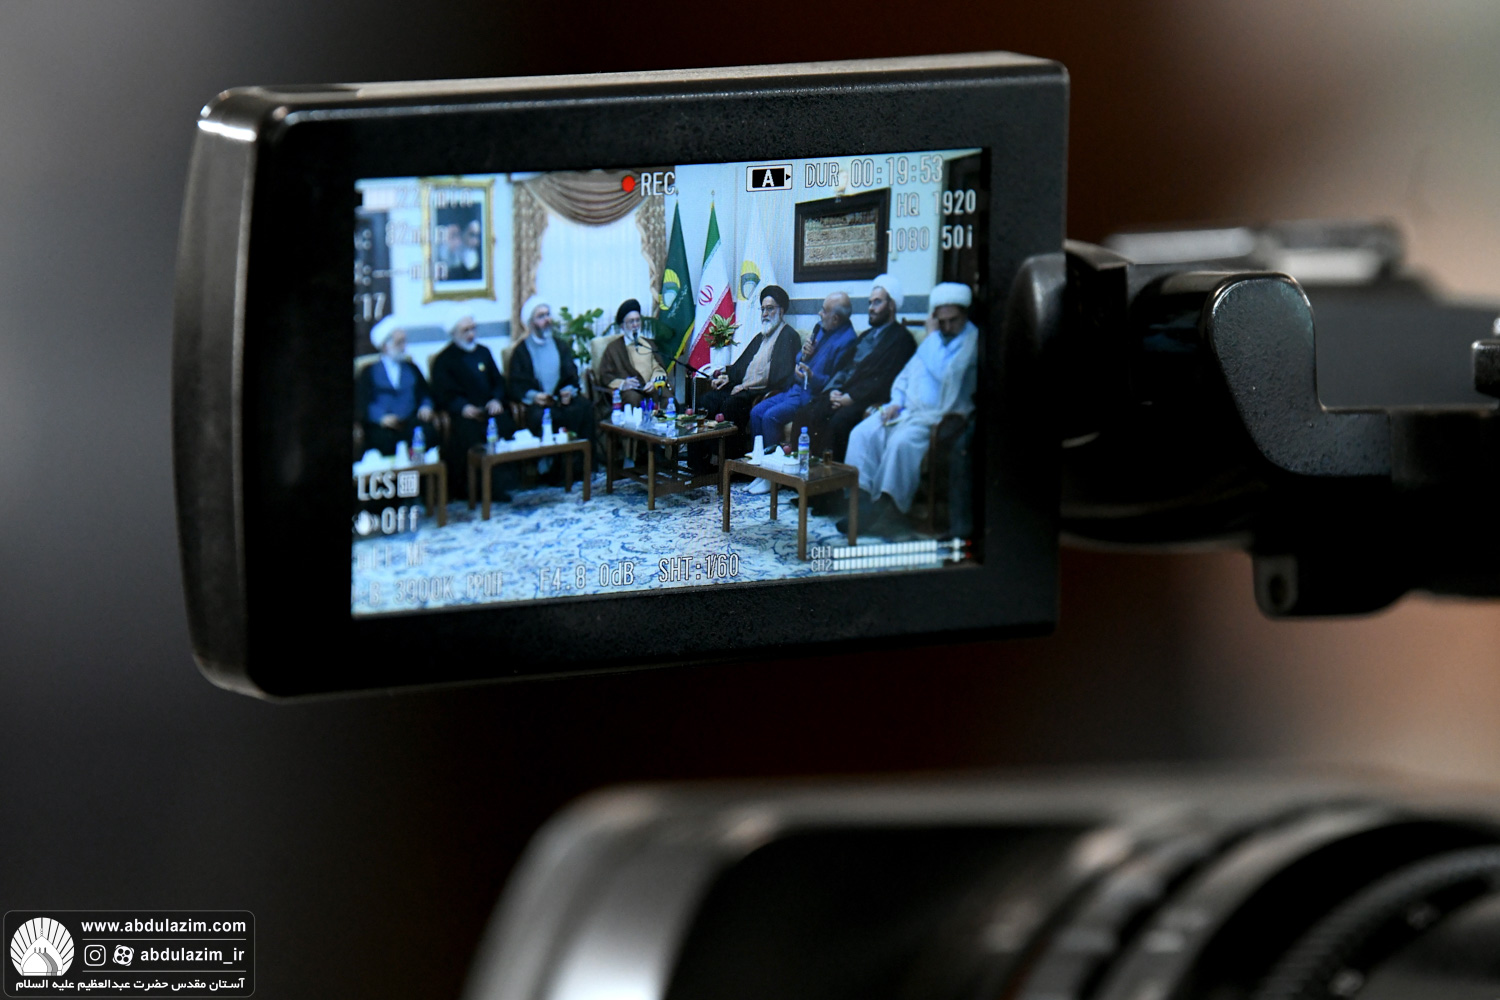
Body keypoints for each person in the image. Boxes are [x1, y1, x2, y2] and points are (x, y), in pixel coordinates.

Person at [840, 282, 980, 533]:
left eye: (953, 321)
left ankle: (883, 509)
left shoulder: (971, 340)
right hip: (905, 411)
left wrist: (931, 335)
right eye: (942, 321)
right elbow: (905, 377)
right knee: (862, 433)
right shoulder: (933, 340)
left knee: (900, 443)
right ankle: (859, 504)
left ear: (964, 315)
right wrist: (895, 402)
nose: (947, 327)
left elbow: (947, 375)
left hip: (938, 417)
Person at [743, 292, 858, 493]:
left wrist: (812, 376)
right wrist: (802, 356)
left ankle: (774, 476)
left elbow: (836, 383)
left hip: (811, 395)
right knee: (756, 412)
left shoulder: (848, 342)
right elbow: (800, 357)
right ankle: (761, 472)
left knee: (770, 417)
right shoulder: (821, 328)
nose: (819, 313)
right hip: (795, 387)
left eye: (824, 311)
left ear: (836, 318)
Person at [794, 274, 916, 460]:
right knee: (805, 413)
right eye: (870, 303)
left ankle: (831, 477)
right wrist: (833, 392)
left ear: (891, 305)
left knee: (839, 423)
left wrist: (850, 398)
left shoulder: (902, 339)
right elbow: (843, 370)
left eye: (877, 302)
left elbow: (885, 380)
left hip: (866, 400)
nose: (871, 308)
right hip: (842, 394)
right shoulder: (866, 336)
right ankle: (798, 472)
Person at [690, 284, 801, 469]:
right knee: (706, 400)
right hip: (742, 388)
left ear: (781, 311)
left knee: (730, 405)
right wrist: (728, 377)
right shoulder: (761, 336)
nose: (765, 314)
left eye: (770, 309)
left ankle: (727, 462)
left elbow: (780, 376)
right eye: (763, 309)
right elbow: (742, 365)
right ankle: (699, 460)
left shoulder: (789, 336)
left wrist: (745, 386)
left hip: (760, 392)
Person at [429, 311, 514, 501]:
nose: (471, 334)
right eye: (465, 330)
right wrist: (462, 407)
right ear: (454, 333)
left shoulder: (484, 352)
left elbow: (498, 382)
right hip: (463, 415)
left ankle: (500, 486)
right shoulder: (444, 359)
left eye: (473, 329)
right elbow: (442, 393)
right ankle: (473, 489)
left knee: (505, 424)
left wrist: (496, 399)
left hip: (489, 410)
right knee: (468, 434)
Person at [508, 297, 596, 472]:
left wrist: (568, 390)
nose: (547, 319)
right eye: (541, 316)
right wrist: (535, 396)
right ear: (531, 323)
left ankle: (583, 467)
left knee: (584, 407)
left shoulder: (560, 345)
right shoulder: (521, 351)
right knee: (540, 417)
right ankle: (553, 472)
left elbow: (571, 374)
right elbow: (516, 384)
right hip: (539, 404)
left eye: (548, 315)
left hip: (562, 400)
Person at [356, 317, 438, 457]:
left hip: (410, 421)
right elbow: (362, 401)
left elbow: (425, 393)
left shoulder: (412, 368)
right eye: (399, 342)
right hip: (382, 425)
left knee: (426, 434)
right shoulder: (369, 371)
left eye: (404, 342)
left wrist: (426, 406)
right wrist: (380, 417)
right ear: (385, 346)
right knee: (382, 440)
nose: (404, 347)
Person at [595, 297, 666, 418]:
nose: (635, 325)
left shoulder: (649, 344)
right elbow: (606, 375)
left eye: (637, 320)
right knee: (633, 398)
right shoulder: (613, 348)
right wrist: (623, 383)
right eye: (631, 322)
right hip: (630, 390)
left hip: (650, 387)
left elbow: (658, 368)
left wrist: (654, 382)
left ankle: (665, 429)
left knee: (667, 397)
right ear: (622, 326)